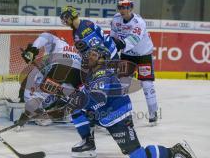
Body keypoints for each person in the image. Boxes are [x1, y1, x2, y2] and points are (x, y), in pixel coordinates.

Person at [45, 45, 194, 158]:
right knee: (76, 109)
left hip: (118, 118)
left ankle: (175, 151)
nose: (89, 56)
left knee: (138, 155)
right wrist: (61, 93)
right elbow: (83, 96)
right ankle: (88, 143)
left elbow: (98, 99)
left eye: (93, 54)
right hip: (106, 116)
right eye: (89, 54)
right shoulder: (93, 74)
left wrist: (69, 97)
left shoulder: (103, 74)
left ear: (102, 59)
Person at [16, 32, 83, 127]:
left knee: (39, 93)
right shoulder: (73, 50)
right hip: (78, 76)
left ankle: (35, 115)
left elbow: (45, 35)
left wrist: (32, 50)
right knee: (69, 93)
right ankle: (85, 113)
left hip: (61, 69)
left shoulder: (56, 41)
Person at [110, 0, 158, 124]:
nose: (123, 10)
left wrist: (120, 44)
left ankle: (153, 113)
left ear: (131, 8)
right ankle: (122, 114)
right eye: (120, 7)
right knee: (122, 85)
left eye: (126, 7)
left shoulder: (139, 22)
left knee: (147, 85)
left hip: (143, 55)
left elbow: (133, 39)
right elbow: (113, 36)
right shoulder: (116, 19)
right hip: (127, 56)